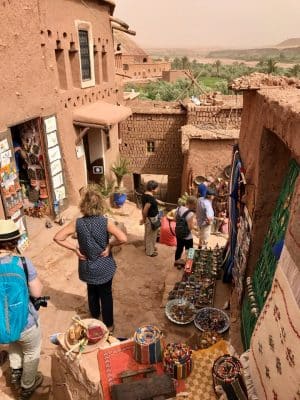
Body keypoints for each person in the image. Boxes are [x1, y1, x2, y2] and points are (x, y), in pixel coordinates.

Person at [54, 184, 127, 332]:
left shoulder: (78, 222)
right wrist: (110, 245)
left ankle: (94, 317)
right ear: (101, 204)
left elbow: (58, 237)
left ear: (84, 205)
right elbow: (123, 238)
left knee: (91, 292)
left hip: (86, 266)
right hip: (104, 266)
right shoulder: (105, 222)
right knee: (106, 295)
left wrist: (75, 248)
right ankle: (109, 325)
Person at [0, 219, 43, 399]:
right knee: (31, 350)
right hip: (25, 321)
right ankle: (27, 385)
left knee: (14, 342)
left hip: (2, 323)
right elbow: (37, 291)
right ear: (14, 241)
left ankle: (16, 372)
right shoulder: (22, 262)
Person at [140, 180, 165, 257]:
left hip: (149, 218)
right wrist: (143, 219)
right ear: (153, 189)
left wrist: (158, 201)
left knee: (148, 234)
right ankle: (150, 252)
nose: (158, 189)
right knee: (151, 235)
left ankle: (148, 247)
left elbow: (150, 199)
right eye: (157, 188)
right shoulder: (150, 198)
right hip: (151, 219)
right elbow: (145, 210)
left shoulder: (145, 194)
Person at [174, 196, 197, 268]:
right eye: (194, 205)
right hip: (187, 236)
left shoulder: (178, 208)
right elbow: (190, 227)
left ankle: (177, 262)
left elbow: (175, 219)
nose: (195, 207)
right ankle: (188, 266)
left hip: (178, 233)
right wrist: (195, 227)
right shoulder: (190, 214)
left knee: (179, 248)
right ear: (191, 204)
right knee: (190, 250)